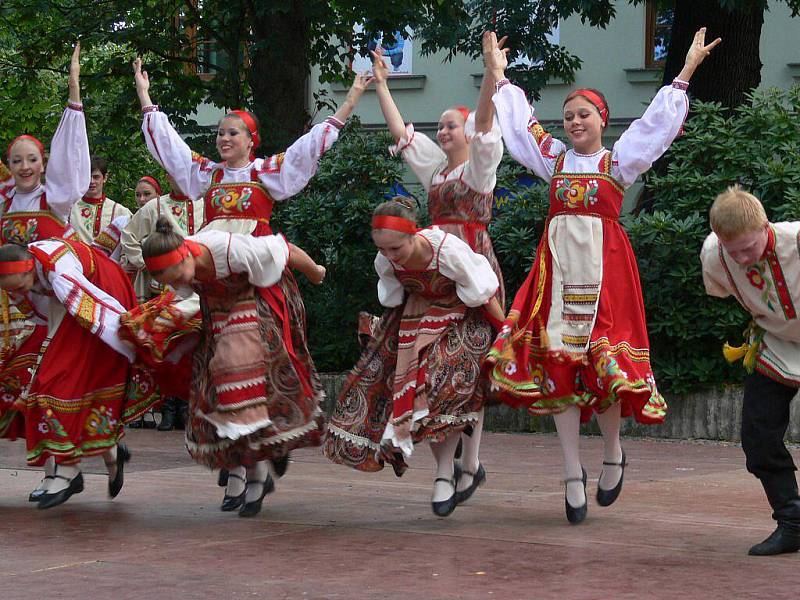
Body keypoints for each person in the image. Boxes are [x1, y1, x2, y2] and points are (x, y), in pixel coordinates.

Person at [482, 29, 720, 523]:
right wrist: (499, 75)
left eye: (583, 115)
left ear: (602, 120)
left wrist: (686, 70)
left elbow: (656, 125)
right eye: (568, 116)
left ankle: (612, 451)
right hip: (559, 275)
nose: (573, 122)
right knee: (559, 365)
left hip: (607, 273)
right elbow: (522, 128)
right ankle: (572, 473)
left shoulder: (618, 161)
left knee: (606, 367)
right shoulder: (555, 160)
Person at [133, 56, 369, 506]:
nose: (223, 138)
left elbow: (309, 149)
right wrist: (146, 98)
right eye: (220, 132)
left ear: (251, 141)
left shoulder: (266, 173)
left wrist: (351, 100)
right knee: (216, 372)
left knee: (257, 370)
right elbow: (171, 148)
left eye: (232, 132)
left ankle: (256, 467)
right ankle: (240, 470)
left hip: (258, 282)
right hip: (213, 285)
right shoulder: (209, 175)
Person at [371, 34, 505, 502]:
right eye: (441, 128)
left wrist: (491, 73)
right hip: (431, 272)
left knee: (471, 366)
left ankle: (468, 464)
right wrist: (382, 85)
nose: (443, 132)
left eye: (450, 126)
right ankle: (448, 470)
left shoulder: (478, 171)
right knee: (429, 365)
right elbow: (403, 138)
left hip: (472, 271)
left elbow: (486, 122)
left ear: (467, 132)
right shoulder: (437, 172)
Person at [131, 217, 325, 517]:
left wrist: (317, 273)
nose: (178, 284)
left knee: (239, 380)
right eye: (169, 282)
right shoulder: (183, 269)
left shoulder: (227, 248)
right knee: (218, 395)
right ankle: (265, 457)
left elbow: (285, 248)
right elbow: (186, 299)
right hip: (218, 315)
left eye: (178, 276)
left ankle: (261, 471)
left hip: (258, 299)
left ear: (186, 254)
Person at [324, 199, 502, 517]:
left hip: (463, 312)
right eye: (384, 250)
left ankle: (454, 471)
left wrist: (505, 335)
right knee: (401, 383)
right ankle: (446, 472)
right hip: (418, 316)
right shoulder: (386, 260)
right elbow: (393, 296)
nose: (390, 256)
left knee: (440, 381)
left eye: (396, 249)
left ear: (413, 234)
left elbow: (483, 292)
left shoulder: (447, 250)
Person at [0, 42, 88, 501]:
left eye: (31, 159)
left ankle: (63, 470)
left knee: (50, 381)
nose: (24, 167)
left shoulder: (55, 197)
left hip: (56, 308)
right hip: (18, 314)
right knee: (25, 385)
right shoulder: (3, 200)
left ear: (43, 164)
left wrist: (74, 90)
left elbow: (72, 151)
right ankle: (86, 460)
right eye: (16, 161)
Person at [0, 234, 147, 509]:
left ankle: (69, 471)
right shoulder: (33, 271)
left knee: (59, 383)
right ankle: (111, 453)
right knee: (64, 380)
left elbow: (88, 305)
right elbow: (49, 309)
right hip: (71, 304)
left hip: (101, 294)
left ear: (28, 266)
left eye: (20, 286)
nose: (20, 293)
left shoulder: (59, 269)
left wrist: (133, 333)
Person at [701, 185, 800, 556]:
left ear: (765, 226)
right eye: (733, 249)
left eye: (749, 247)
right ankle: (792, 521)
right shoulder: (714, 256)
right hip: (776, 341)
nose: (742, 258)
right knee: (757, 435)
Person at [121, 174, 204, 430]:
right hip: (165, 289)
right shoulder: (154, 207)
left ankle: (191, 409)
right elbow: (128, 236)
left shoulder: (205, 201)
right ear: (168, 175)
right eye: (174, 170)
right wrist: (150, 265)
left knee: (197, 348)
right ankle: (168, 409)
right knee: (165, 346)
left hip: (200, 286)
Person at [69, 156, 132, 243]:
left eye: (96, 177)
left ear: (105, 178)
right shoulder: (69, 208)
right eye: (87, 176)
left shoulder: (119, 211)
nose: (91, 181)